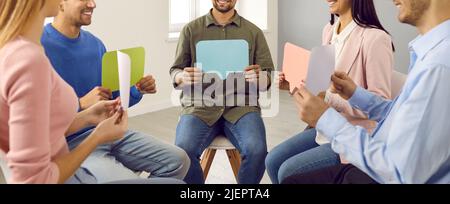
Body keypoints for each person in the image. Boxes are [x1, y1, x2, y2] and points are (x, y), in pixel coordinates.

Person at [287, 0, 450, 184]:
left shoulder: (438, 66)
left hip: (375, 159)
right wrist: (355, 94)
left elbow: (397, 172)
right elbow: (399, 113)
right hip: (373, 151)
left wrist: (326, 115)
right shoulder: (427, 54)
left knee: (289, 176)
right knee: (278, 164)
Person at [41, 0, 190, 183]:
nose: (93, 4)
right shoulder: (39, 47)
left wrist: (136, 91)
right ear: (60, 2)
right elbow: (35, 122)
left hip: (108, 132)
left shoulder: (95, 45)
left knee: (178, 160)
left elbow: (109, 99)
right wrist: (80, 103)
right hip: (69, 143)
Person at [0, 0, 130, 184]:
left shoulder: (18, 49)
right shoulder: (28, 61)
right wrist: (97, 136)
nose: (92, 4)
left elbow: (42, 130)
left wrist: (87, 117)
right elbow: (34, 180)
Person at [266, 0, 394, 184]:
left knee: (287, 171)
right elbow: (320, 86)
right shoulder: (329, 31)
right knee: (272, 161)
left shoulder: (376, 38)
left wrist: (329, 98)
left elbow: (381, 107)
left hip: (353, 135)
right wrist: (292, 84)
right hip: (324, 128)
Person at [170, 0, 274, 184]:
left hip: (241, 106)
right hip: (200, 106)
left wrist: (261, 78)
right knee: (182, 150)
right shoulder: (191, 30)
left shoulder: (253, 32)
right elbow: (176, 70)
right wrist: (181, 77)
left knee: (257, 150)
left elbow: (267, 75)